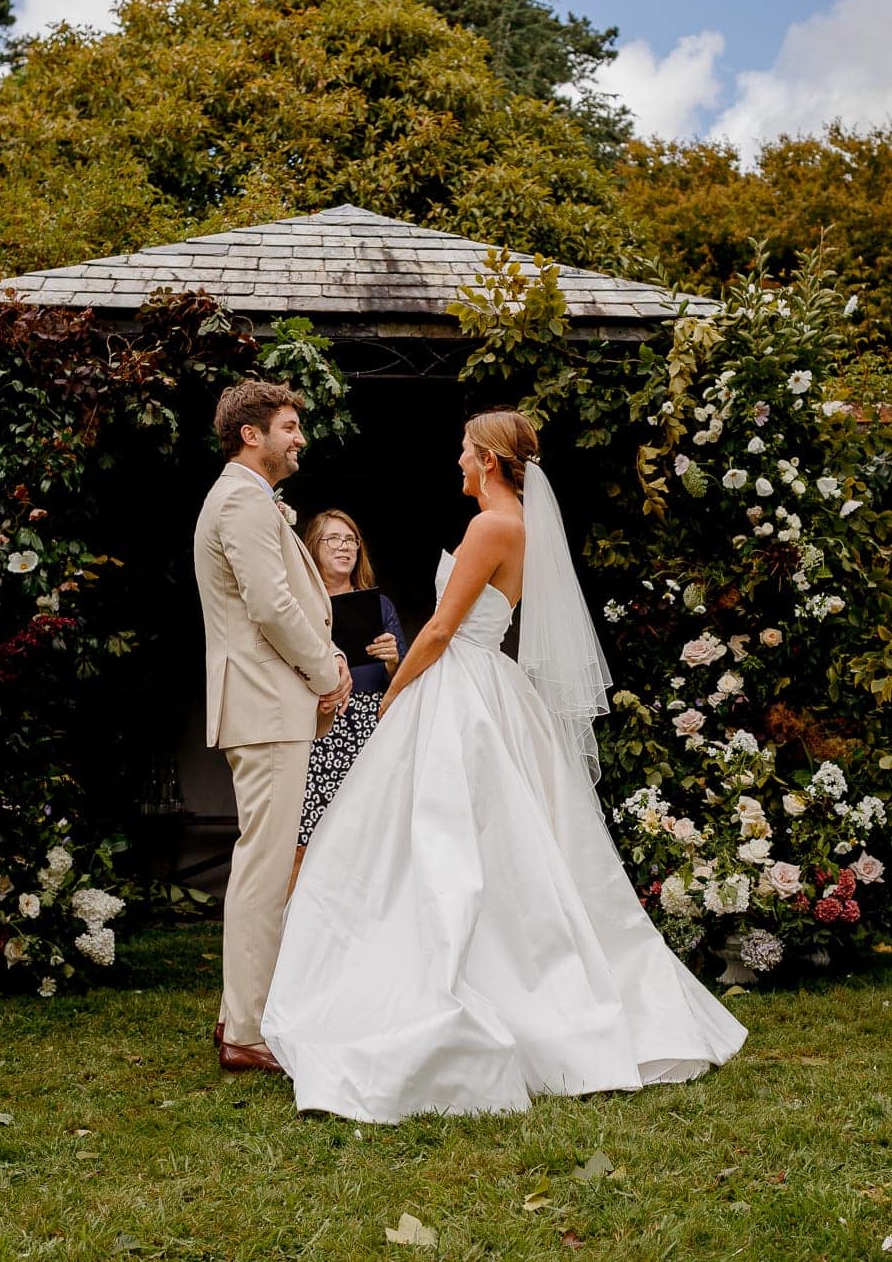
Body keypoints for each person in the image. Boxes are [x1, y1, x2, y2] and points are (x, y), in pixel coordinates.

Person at [262, 409, 747, 1122]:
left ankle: (460, 988)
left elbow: (439, 628)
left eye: (464, 448)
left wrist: (395, 696)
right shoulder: (515, 520)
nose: (456, 458)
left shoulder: (492, 525)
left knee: (448, 837)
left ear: (488, 459)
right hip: (488, 685)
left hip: (461, 686)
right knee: (492, 840)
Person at [193, 380, 352, 1075]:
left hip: (266, 704)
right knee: (264, 868)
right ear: (251, 433)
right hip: (264, 705)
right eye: (289, 426)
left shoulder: (250, 500)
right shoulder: (239, 499)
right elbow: (273, 605)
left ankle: (241, 1013)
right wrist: (326, 672)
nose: (300, 438)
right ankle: (248, 1033)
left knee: (263, 862)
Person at [296, 511, 406, 855]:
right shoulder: (298, 606)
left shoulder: (380, 605)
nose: (344, 547)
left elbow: (403, 680)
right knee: (311, 836)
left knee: (371, 834)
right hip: (319, 726)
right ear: (314, 547)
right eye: (334, 539)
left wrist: (392, 659)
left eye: (351, 540)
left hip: (370, 728)